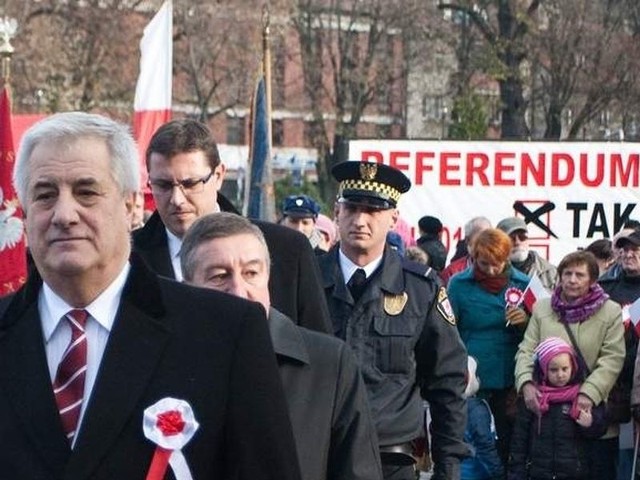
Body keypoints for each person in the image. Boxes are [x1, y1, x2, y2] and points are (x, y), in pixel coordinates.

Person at [0, 112, 302, 479]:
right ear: (25, 212)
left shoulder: (225, 333)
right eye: (45, 195)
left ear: (130, 205)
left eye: (86, 192)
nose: (65, 214)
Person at [180, 212, 383, 480]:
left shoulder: (328, 365)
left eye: (251, 273)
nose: (239, 291)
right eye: (219, 276)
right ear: (187, 288)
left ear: (267, 277)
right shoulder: (164, 363)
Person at [317, 160, 469, 480]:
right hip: (317, 457)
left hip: (391, 461)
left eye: (373, 210)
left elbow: (447, 383)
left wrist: (449, 467)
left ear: (393, 219)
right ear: (336, 212)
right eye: (352, 208)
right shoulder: (308, 281)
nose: (360, 219)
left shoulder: (420, 288)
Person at [132, 118, 331, 333]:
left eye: (190, 184)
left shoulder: (287, 250)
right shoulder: (127, 260)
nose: (177, 199)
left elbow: (320, 353)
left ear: (218, 176)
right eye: (163, 185)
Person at [515, 250, 624, 480]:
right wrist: (525, 383)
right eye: (567, 273)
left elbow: (612, 358)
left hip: (589, 415)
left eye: (579, 275)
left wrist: (589, 394)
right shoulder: (543, 308)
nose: (572, 280)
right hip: (547, 417)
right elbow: (526, 349)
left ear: (592, 280)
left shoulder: (610, 311)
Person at [447, 228, 530, 466]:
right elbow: (449, 331)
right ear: (473, 258)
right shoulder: (458, 284)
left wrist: (524, 323)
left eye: (498, 263)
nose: (492, 269)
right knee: (477, 445)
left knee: (510, 443)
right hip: (472, 379)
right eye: (485, 264)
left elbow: (539, 335)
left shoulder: (523, 284)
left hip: (510, 379)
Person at [509, 337, 607, 480]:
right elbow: (519, 440)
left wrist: (590, 423)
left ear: (572, 367)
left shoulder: (582, 397)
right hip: (539, 472)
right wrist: (517, 473)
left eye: (565, 369)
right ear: (543, 370)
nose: (560, 375)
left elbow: (597, 433)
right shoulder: (533, 399)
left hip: (574, 473)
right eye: (553, 370)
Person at [599, 231, 640, 480]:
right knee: (611, 457)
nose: (628, 253)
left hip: (639, 385)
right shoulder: (605, 288)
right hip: (612, 385)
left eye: (635, 249)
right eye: (624, 249)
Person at [461, 356, 504, 480]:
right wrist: (498, 473)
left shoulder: (442, 406)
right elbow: (484, 445)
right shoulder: (476, 409)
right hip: (475, 474)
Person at [496, 216, 557, 291]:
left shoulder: (550, 272)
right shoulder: (492, 271)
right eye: (511, 239)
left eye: (522, 237)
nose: (517, 242)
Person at [441, 216, 491, 286]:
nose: (487, 242)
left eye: (490, 237)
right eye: (481, 237)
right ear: (467, 240)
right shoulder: (452, 272)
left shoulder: (502, 268)